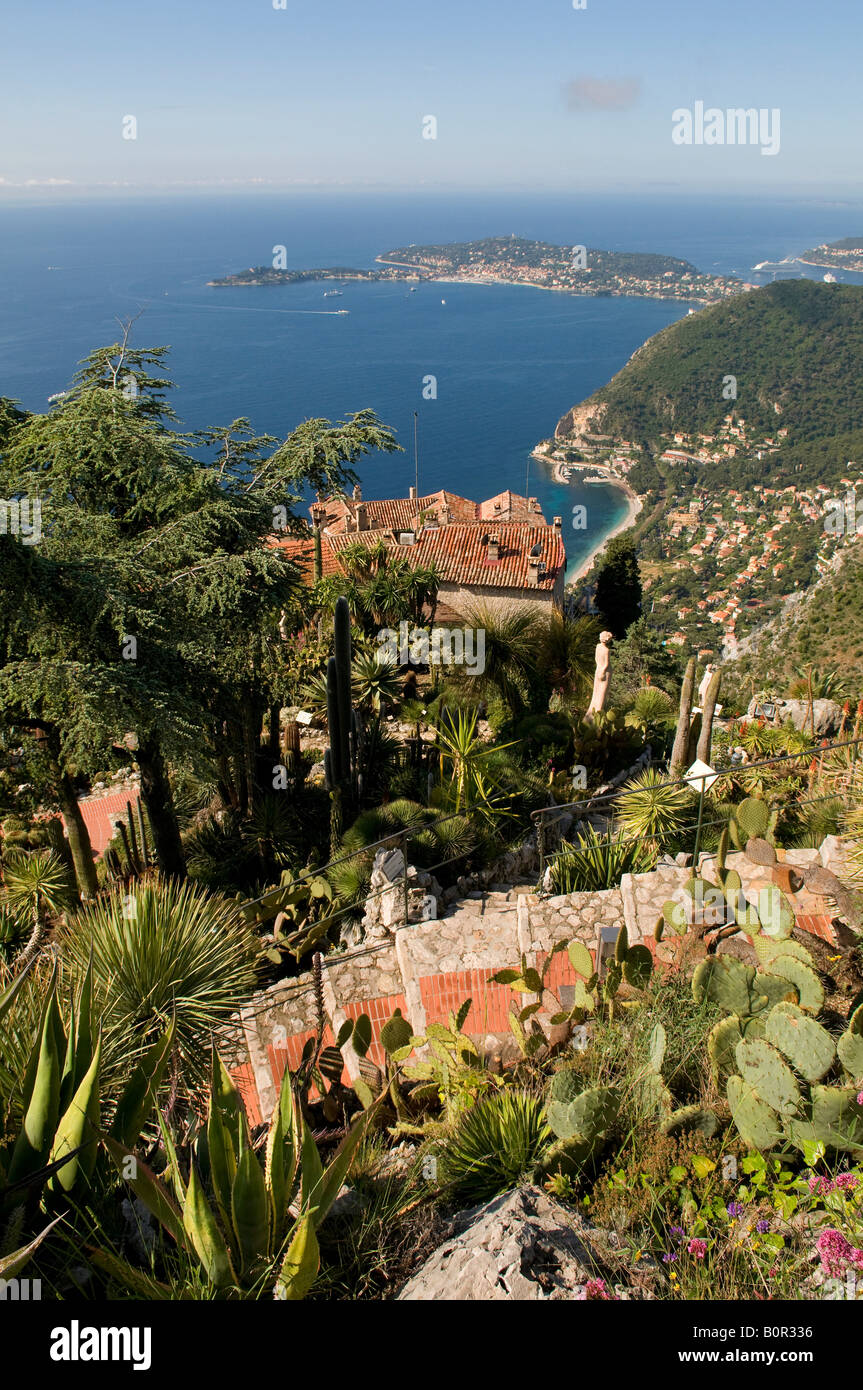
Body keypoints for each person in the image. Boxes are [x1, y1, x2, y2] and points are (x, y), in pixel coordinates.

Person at [586, 631, 613, 719]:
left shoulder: (598, 646)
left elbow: (596, 659)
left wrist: (599, 669)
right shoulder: (606, 650)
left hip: (599, 669)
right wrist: (603, 670)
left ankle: (591, 715)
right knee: (601, 693)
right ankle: (596, 716)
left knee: (597, 692)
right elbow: (606, 664)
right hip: (605, 671)